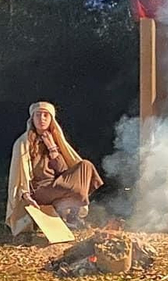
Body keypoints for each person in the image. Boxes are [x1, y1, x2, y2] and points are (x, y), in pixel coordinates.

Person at [6, 100, 104, 235]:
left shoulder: (55, 139)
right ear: (32, 119)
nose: (42, 119)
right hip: (39, 190)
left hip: (57, 184)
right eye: (38, 115)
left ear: (51, 119)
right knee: (76, 190)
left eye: (46, 115)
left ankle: (69, 213)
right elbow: (19, 173)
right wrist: (25, 194)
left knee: (86, 166)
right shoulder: (23, 143)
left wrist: (52, 148)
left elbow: (63, 170)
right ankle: (69, 212)